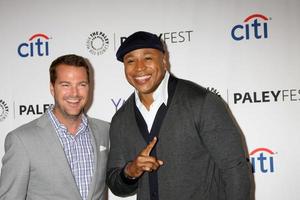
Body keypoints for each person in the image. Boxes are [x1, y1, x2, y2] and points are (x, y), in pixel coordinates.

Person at [106, 31, 251, 200]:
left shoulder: (201, 102)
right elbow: (116, 184)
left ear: (164, 60)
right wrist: (130, 172)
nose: (139, 67)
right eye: (130, 61)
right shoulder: (121, 120)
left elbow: (235, 169)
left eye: (148, 58)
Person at [0, 54, 109, 200]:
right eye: (65, 85)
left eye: (82, 84)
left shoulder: (105, 131)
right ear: (52, 88)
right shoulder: (22, 140)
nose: (74, 93)